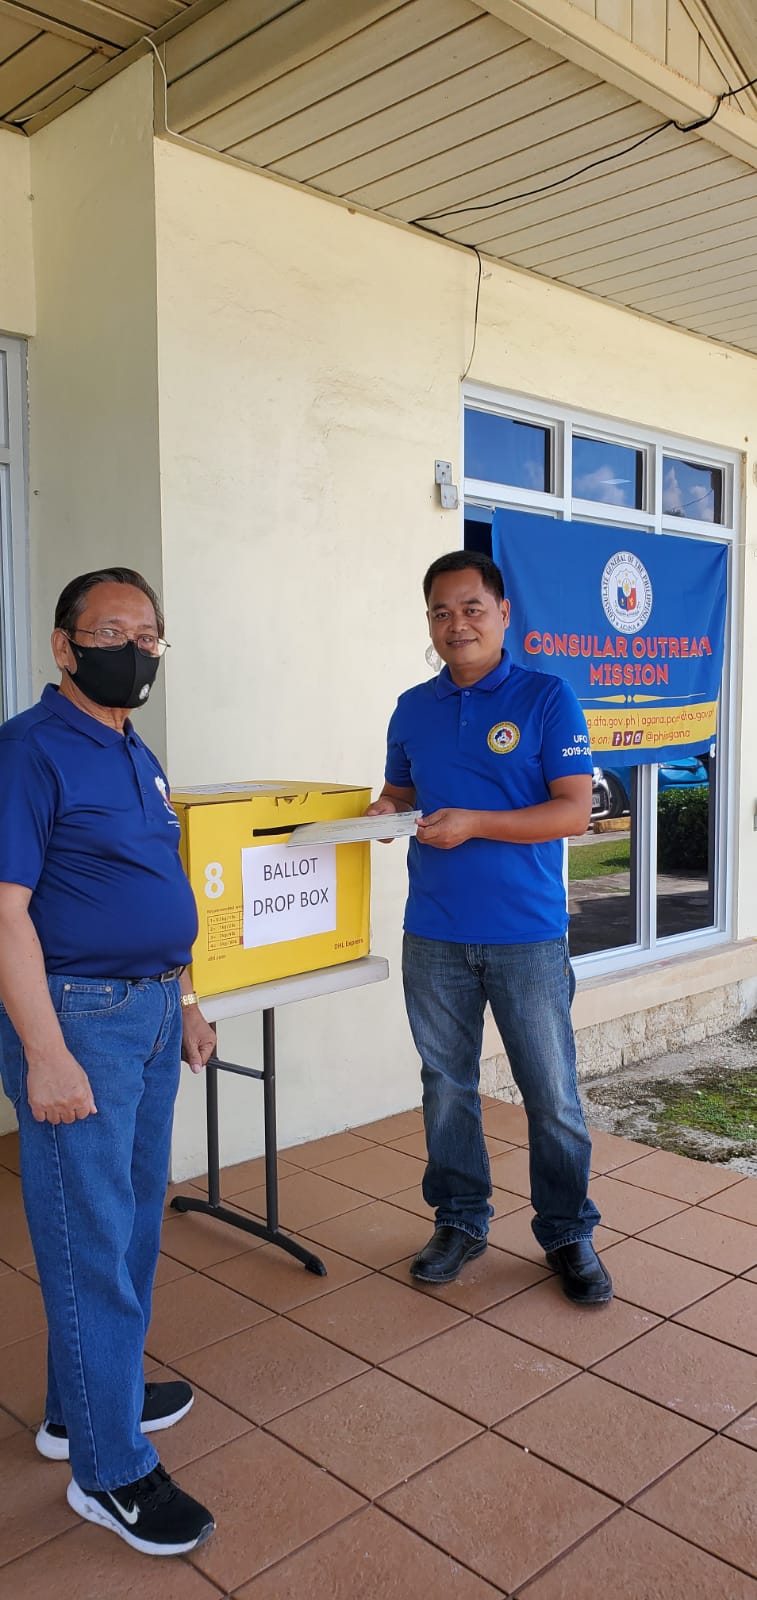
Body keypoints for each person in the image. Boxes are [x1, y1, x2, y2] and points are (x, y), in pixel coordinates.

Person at [0, 567, 217, 1555]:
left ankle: (79, 1404)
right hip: (77, 1020)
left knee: (130, 1224)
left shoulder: (137, 751)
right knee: (90, 1240)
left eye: (147, 635)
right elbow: (5, 912)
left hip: (148, 1012)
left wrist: (186, 995)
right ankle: (109, 1468)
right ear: (64, 644)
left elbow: (157, 880)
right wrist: (44, 1054)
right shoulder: (30, 750)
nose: (132, 648)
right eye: (109, 630)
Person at [367, 550, 611, 1305]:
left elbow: (575, 811)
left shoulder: (546, 697)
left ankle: (567, 1231)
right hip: (433, 932)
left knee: (552, 1096)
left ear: (504, 614)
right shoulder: (413, 706)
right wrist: (378, 816)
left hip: (526, 934)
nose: (456, 624)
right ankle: (460, 1220)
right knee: (446, 1088)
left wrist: (475, 823)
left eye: (471, 608)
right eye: (440, 611)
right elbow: (398, 791)